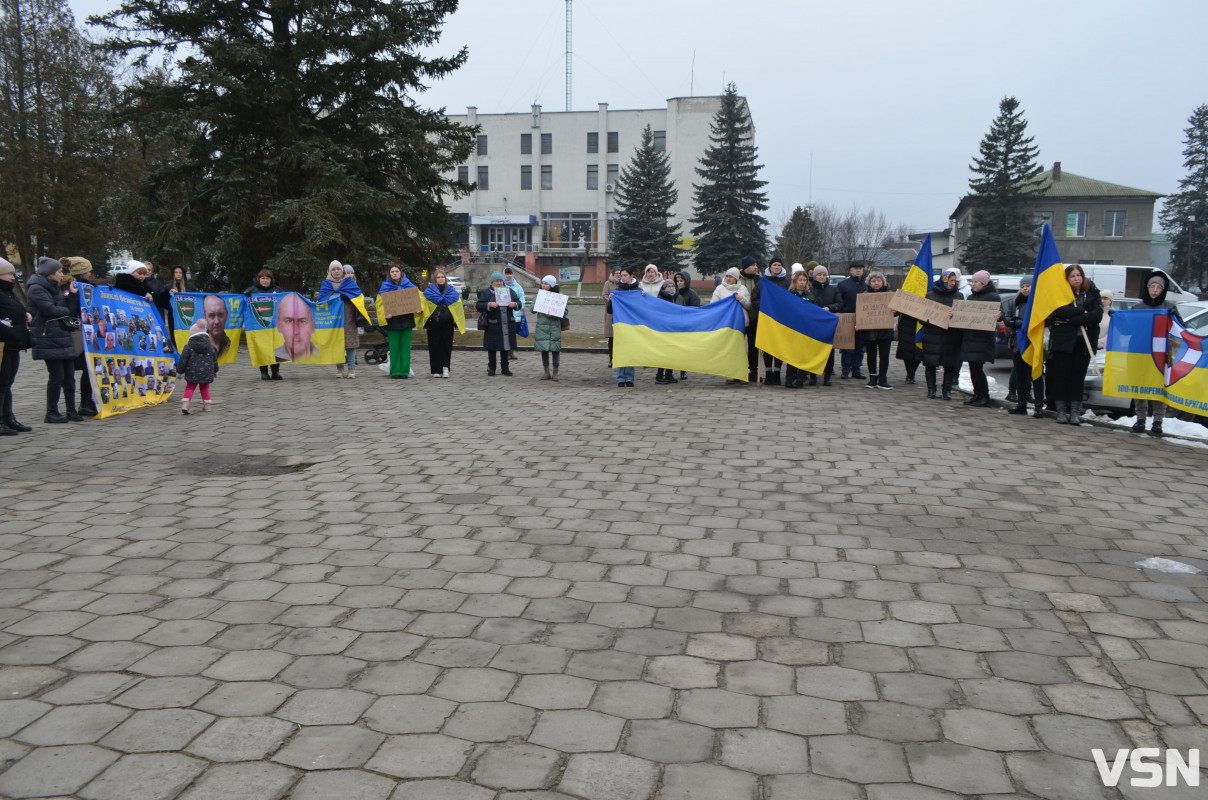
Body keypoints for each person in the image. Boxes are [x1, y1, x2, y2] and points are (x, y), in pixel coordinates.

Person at [1046, 264, 1102, 425]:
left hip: (1084, 342)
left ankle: (1075, 412)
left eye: (1079, 275)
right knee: (1062, 376)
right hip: (1064, 342)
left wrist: (1075, 320)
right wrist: (1082, 311)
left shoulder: (1092, 293)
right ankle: (1061, 411)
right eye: (1072, 276)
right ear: (1067, 279)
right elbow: (1060, 311)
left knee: (1078, 377)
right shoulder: (1063, 294)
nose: (1076, 278)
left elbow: (1096, 315)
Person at [27, 257, 80, 423]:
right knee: (56, 376)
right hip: (49, 336)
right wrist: (65, 309)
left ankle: (71, 409)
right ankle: (51, 411)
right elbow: (50, 310)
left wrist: (71, 295)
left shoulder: (55, 286)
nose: (61, 274)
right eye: (59, 272)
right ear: (50, 274)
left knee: (69, 376)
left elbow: (64, 308)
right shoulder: (36, 288)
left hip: (62, 334)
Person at [1131, 272, 1178, 436]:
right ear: (1147, 288)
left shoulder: (1169, 307)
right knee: (1140, 387)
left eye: (1159, 287)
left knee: (1159, 387)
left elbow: (1179, 330)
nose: (1155, 290)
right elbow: (1130, 329)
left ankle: (1158, 421)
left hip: (1161, 354)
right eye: (1153, 286)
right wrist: (1117, 318)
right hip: (1140, 353)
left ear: (1163, 290)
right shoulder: (1137, 307)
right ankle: (1140, 419)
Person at [61, 257, 100, 418]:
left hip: (86, 333)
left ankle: (86, 400)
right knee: (78, 369)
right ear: (82, 272)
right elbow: (70, 309)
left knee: (87, 367)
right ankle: (81, 403)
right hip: (76, 333)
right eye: (88, 271)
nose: (91, 273)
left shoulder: (86, 286)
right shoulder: (70, 287)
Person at [958, 270, 1001, 407]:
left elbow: (999, 315)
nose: (973, 284)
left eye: (976, 282)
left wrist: (998, 316)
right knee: (973, 368)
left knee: (977, 368)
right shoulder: (971, 298)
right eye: (973, 282)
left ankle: (984, 396)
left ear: (984, 283)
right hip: (970, 338)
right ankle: (977, 394)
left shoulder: (993, 297)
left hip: (983, 339)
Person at [921, 267, 964, 400]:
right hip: (932, 335)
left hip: (951, 336)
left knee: (950, 364)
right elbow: (921, 317)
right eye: (950, 280)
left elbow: (962, 317)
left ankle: (947, 390)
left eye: (954, 280)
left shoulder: (959, 296)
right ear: (943, 280)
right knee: (930, 363)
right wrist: (927, 319)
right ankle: (931, 390)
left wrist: (955, 315)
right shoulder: (930, 295)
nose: (953, 283)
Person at [1002, 276, 1042, 417]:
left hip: (1033, 343)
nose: (1025, 288)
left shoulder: (1039, 302)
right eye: (1022, 286)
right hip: (1018, 342)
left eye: (1028, 285)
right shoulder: (1015, 302)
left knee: (1035, 375)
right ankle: (1022, 403)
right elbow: (1007, 317)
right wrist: (1014, 322)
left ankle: (1038, 406)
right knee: (1020, 375)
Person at [0, 258, 32, 434]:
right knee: (2, 383)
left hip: (14, 344)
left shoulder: (9, 292)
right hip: (3, 343)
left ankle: (8, 418)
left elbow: (16, 309)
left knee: (8, 383)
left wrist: (27, 313)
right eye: (9, 273)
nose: (13, 277)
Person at [317, 261, 361, 378]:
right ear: (330, 271)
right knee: (337, 344)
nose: (336, 271)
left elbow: (358, 296)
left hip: (349, 318)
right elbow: (322, 300)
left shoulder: (349, 282)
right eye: (334, 269)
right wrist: (336, 296)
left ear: (342, 271)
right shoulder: (326, 284)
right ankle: (340, 369)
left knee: (350, 344)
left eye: (338, 269)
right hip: (334, 320)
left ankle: (351, 369)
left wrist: (348, 296)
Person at [712, 267, 753, 385]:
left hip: (741, 323)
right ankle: (730, 374)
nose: (728, 278)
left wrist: (741, 299)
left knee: (740, 349)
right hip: (727, 324)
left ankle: (743, 372)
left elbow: (749, 306)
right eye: (727, 276)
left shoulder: (743, 289)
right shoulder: (720, 288)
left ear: (736, 278)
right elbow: (714, 305)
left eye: (731, 276)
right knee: (729, 349)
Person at [477, 270, 519, 376]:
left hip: (507, 324)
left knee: (505, 347)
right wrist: (490, 304)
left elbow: (519, 303)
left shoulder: (509, 291)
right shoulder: (487, 293)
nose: (499, 283)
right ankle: (492, 368)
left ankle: (505, 368)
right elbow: (479, 305)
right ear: (492, 282)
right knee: (492, 348)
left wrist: (514, 304)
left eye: (501, 281)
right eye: (496, 281)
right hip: (493, 324)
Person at [378, 264, 416, 379]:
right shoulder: (385, 287)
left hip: (407, 321)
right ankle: (394, 371)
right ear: (389, 274)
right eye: (392, 272)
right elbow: (379, 305)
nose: (394, 273)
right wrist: (385, 314)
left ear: (401, 273)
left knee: (405, 348)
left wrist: (419, 309)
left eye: (396, 271)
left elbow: (419, 300)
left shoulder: (409, 286)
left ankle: (404, 371)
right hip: (392, 322)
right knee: (394, 348)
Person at [243, 269, 282, 380]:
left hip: (274, 327)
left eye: (267, 278)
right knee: (261, 348)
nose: (265, 281)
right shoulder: (252, 290)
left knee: (276, 348)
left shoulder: (277, 290)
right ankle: (264, 372)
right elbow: (243, 301)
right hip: (258, 327)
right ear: (258, 279)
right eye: (263, 278)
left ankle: (275, 372)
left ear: (271, 280)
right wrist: (246, 295)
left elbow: (287, 299)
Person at [806, 265, 842, 385]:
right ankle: (812, 376)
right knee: (813, 350)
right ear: (815, 276)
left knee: (828, 351)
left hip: (828, 325)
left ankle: (827, 376)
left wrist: (829, 308)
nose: (822, 277)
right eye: (819, 275)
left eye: (823, 275)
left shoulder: (833, 289)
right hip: (813, 324)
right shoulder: (809, 289)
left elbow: (840, 303)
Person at [760, 255, 792, 385]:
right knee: (767, 346)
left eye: (779, 265)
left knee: (779, 345)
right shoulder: (763, 281)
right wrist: (762, 307)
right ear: (770, 267)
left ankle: (777, 372)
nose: (777, 267)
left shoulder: (787, 282)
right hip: (767, 318)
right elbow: (756, 298)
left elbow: (791, 299)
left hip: (782, 319)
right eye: (774, 265)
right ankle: (768, 373)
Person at [861, 270, 895, 390]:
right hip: (869, 331)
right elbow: (860, 313)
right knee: (871, 355)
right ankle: (872, 379)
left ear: (883, 282)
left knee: (884, 356)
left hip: (885, 331)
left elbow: (897, 313)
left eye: (878, 280)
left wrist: (895, 311)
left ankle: (883, 379)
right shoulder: (864, 296)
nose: (876, 283)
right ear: (869, 282)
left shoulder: (890, 295)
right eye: (873, 281)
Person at [423, 269, 459, 378]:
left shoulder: (451, 291)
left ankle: (445, 368)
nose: (440, 279)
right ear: (435, 279)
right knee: (434, 346)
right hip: (434, 323)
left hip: (447, 323)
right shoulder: (429, 291)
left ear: (445, 278)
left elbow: (457, 307)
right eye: (438, 277)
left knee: (446, 346)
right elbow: (425, 306)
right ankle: (436, 370)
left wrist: (457, 321)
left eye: (442, 277)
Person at [177, 319, 218, 414]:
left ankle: (185, 405)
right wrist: (215, 370)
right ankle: (207, 406)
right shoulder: (210, 347)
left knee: (190, 387)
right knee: (205, 388)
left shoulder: (188, 347)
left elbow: (183, 360)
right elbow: (214, 360)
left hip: (192, 372)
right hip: (206, 372)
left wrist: (179, 371)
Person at [608, 266, 641, 387]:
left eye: (625, 275)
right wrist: (611, 300)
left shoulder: (638, 290)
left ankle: (630, 378)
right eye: (621, 275)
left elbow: (641, 308)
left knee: (630, 351)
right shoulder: (618, 291)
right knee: (621, 351)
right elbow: (610, 310)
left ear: (631, 276)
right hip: (620, 326)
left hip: (632, 326)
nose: (622, 277)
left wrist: (643, 296)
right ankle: (621, 378)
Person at [837, 260, 867, 379]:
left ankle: (856, 369)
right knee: (847, 346)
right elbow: (839, 302)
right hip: (848, 318)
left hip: (863, 319)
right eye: (856, 268)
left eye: (860, 268)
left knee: (860, 347)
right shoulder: (843, 285)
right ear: (851, 270)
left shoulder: (867, 284)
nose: (858, 270)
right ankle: (845, 369)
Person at [668, 271, 700, 382]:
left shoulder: (692, 294)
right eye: (677, 281)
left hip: (686, 326)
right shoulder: (673, 293)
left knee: (683, 350)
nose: (679, 283)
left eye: (681, 281)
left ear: (687, 282)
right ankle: (670, 371)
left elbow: (695, 310)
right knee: (672, 350)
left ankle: (683, 370)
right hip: (673, 326)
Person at [783, 269, 813, 389]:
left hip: (805, 330)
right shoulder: (789, 294)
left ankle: (800, 379)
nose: (802, 282)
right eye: (800, 280)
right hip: (792, 330)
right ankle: (790, 378)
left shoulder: (810, 295)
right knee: (792, 355)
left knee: (803, 355)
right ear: (795, 281)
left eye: (804, 280)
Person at [533, 275, 567, 381]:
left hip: (554, 327)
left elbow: (565, 311)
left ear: (551, 285)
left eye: (546, 283)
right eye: (542, 283)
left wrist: (553, 314)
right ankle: (546, 372)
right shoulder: (539, 295)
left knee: (555, 350)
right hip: (542, 327)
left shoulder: (559, 296)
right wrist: (538, 303)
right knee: (544, 349)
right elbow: (532, 309)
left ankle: (555, 373)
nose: (543, 285)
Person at [736, 257, 761, 382]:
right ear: (746, 266)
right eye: (753, 265)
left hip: (755, 317)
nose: (756, 267)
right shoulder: (736, 279)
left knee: (753, 346)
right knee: (738, 345)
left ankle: (753, 370)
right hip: (740, 318)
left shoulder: (759, 280)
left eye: (756, 265)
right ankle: (738, 370)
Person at [274, 292, 319, 362]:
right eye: (289, 321)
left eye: (302, 322)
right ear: (279, 325)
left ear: (312, 326)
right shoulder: (272, 356)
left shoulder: (324, 354)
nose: (296, 332)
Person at [502, 266, 525, 362]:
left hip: (515, 314)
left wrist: (520, 306)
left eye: (510, 273)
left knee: (513, 335)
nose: (508, 275)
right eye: (507, 274)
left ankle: (512, 352)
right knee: (504, 334)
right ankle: (506, 352)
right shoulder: (501, 285)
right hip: (504, 314)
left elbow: (522, 297)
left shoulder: (517, 286)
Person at [201, 294, 231, 358]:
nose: (217, 321)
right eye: (211, 315)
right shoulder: (200, 344)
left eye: (220, 314)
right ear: (205, 316)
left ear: (226, 315)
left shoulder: (230, 344)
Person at [602, 267, 620, 367]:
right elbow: (604, 295)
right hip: (611, 312)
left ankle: (619, 358)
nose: (618, 275)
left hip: (621, 313)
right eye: (616, 273)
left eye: (619, 273)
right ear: (613, 274)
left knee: (620, 338)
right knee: (612, 338)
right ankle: (611, 359)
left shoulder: (623, 283)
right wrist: (611, 301)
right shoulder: (608, 283)